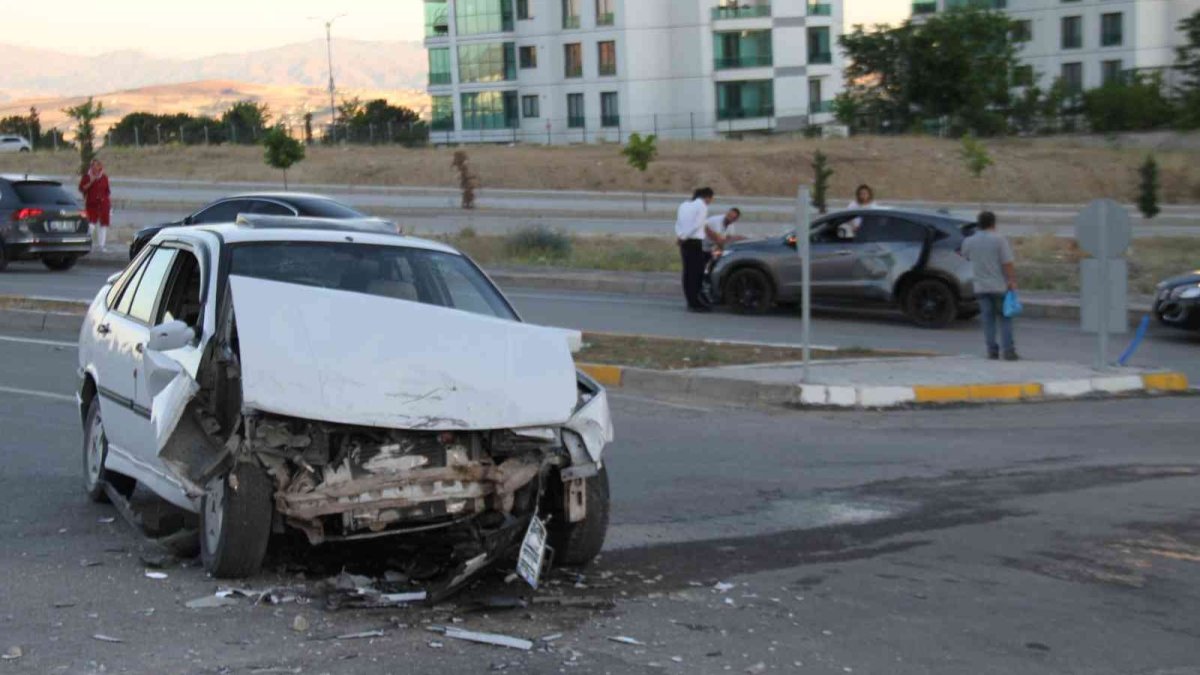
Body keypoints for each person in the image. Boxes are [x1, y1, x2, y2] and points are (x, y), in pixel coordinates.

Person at [961, 210, 1019, 361]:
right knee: (1005, 319)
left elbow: (965, 256)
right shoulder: (999, 240)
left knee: (988, 321)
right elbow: (1007, 263)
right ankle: (1008, 351)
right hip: (999, 286)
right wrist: (1012, 280)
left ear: (979, 224)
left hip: (980, 287)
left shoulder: (969, 241)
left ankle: (992, 351)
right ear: (993, 223)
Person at [675, 187, 714, 312]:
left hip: (683, 241)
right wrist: (685, 237)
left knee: (687, 272)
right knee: (696, 273)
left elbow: (678, 223)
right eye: (711, 199)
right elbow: (697, 224)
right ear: (706, 197)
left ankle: (690, 300)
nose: (710, 201)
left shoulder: (683, 205)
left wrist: (680, 237)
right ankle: (696, 302)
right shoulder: (702, 206)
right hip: (694, 241)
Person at [79, 159, 112, 252]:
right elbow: (82, 188)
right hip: (92, 204)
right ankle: (87, 244)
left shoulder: (104, 177)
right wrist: (91, 181)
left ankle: (102, 246)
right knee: (91, 225)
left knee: (103, 226)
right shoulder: (87, 177)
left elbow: (107, 192)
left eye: (97, 166)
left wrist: (109, 206)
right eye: (93, 166)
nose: (95, 168)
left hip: (103, 204)